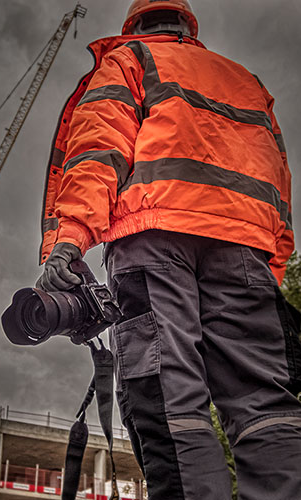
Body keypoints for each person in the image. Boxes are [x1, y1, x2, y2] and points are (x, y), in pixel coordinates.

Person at [35, 1, 301, 499]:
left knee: (168, 395)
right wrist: (273, 267)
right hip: (246, 251)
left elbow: (98, 149)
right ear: (187, 27)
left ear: (135, 25)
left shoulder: (130, 59)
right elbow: (278, 185)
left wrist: (68, 242)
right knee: (267, 409)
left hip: (152, 241)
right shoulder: (246, 80)